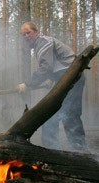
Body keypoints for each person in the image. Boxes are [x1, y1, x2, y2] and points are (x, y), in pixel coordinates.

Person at [17, 22, 87, 151]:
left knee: (69, 113)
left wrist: (28, 83)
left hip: (71, 76)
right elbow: (54, 65)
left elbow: (46, 67)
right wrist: (51, 79)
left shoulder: (43, 42)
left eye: (28, 32)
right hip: (64, 76)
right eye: (23, 34)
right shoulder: (39, 44)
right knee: (53, 113)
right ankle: (52, 148)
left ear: (36, 32)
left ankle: (79, 150)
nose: (26, 36)